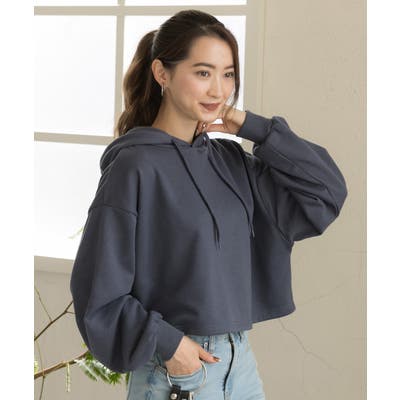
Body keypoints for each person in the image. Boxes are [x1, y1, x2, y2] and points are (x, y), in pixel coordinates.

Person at [69, 9, 348, 400]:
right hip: (179, 374)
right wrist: (170, 344)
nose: (218, 90)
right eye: (203, 73)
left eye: (228, 74)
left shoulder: (229, 161)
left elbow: (325, 191)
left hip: (240, 366)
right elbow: (97, 288)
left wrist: (253, 127)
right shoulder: (134, 166)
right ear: (162, 73)